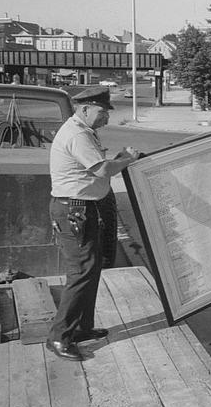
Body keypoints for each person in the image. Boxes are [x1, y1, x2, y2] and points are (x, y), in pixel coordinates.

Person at [46, 87, 141, 361]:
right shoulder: (77, 134)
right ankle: (59, 337)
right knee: (81, 273)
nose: (106, 119)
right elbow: (101, 169)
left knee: (91, 267)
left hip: (83, 209)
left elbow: (99, 166)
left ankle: (80, 329)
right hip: (74, 210)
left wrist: (120, 158)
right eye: (102, 112)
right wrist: (127, 159)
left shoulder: (84, 131)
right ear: (84, 108)